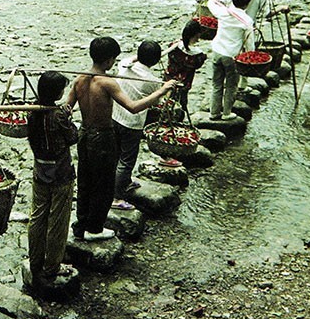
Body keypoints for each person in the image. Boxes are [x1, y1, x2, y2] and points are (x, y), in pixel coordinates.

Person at [68, 38, 177, 242]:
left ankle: (80, 225)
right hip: (102, 136)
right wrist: (161, 91)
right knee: (103, 184)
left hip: (84, 134)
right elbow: (133, 107)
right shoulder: (108, 83)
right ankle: (95, 228)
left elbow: (67, 108)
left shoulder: (79, 79)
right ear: (109, 60)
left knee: (85, 181)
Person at [26, 71, 78, 288]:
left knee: (38, 216)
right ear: (57, 92)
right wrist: (69, 118)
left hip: (40, 170)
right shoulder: (57, 116)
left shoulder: (32, 112)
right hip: (60, 173)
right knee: (58, 220)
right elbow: (73, 137)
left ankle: (35, 262)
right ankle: (52, 267)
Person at [111, 41, 162, 211]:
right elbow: (157, 101)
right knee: (127, 160)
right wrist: (166, 88)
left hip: (115, 116)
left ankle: (124, 182)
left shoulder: (124, 66)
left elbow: (129, 59)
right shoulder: (153, 81)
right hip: (132, 123)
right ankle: (117, 198)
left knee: (116, 155)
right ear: (155, 61)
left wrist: (137, 57)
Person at [206, 0, 254, 121]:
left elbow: (211, 5)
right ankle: (227, 112)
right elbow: (250, 43)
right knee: (231, 85)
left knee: (217, 84)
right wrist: (250, 56)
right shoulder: (247, 21)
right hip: (231, 56)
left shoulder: (223, 12)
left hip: (217, 51)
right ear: (247, 4)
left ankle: (214, 113)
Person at [163, 20, 208, 111]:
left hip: (169, 79)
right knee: (182, 104)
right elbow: (197, 65)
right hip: (183, 83)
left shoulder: (173, 46)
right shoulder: (198, 56)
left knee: (167, 101)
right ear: (197, 35)